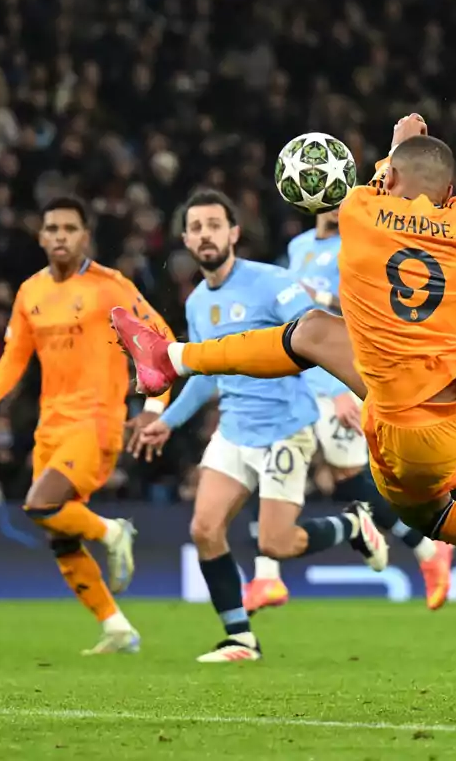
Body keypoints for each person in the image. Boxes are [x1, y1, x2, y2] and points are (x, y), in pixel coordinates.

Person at [110, 0, 456, 583]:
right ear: (450, 192)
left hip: (403, 426)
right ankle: (168, 357)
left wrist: (392, 150)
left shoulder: (358, 211)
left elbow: (379, 185)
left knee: (431, 516)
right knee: (316, 332)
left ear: (391, 178)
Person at [128, 189, 387, 663]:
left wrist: (340, 394)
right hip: (234, 430)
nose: (205, 235)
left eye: (214, 225)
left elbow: (319, 338)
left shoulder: (274, 282)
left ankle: (353, 525)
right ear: (186, 239)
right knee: (205, 529)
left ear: (234, 233)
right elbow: (206, 376)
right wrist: (168, 421)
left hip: (286, 430)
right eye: (196, 227)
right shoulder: (197, 304)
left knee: (276, 543)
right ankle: (240, 639)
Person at [0, 195, 172, 655]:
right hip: (50, 424)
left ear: (84, 235)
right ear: (40, 236)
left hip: (97, 418)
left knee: (39, 505)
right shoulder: (30, 291)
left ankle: (114, 532)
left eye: (69, 229)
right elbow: (15, 355)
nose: (60, 236)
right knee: (58, 531)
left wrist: (155, 408)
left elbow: (161, 341)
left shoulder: (110, 286)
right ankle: (116, 627)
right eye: (52, 228)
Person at [270, 206, 454, 613]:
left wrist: (339, 388)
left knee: (349, 475)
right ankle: (420, 548)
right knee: (337, 475)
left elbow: (356, 314)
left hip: (338, 379)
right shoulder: (297, 246)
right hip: (302, 381)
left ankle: (425, 547)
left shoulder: (359, 247)